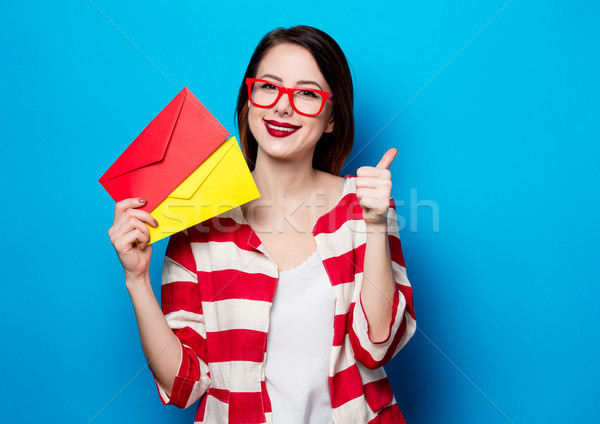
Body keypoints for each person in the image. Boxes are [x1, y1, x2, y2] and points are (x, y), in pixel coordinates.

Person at [109, 25, 416, 424]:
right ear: (247, 102)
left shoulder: (365, 206)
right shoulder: (197, 219)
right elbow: (185, 384)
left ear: (331, 119)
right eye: (268, 87)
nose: (282, 107)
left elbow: (378, 348)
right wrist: (137, 281)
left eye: (307, 93)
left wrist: (375, 225)